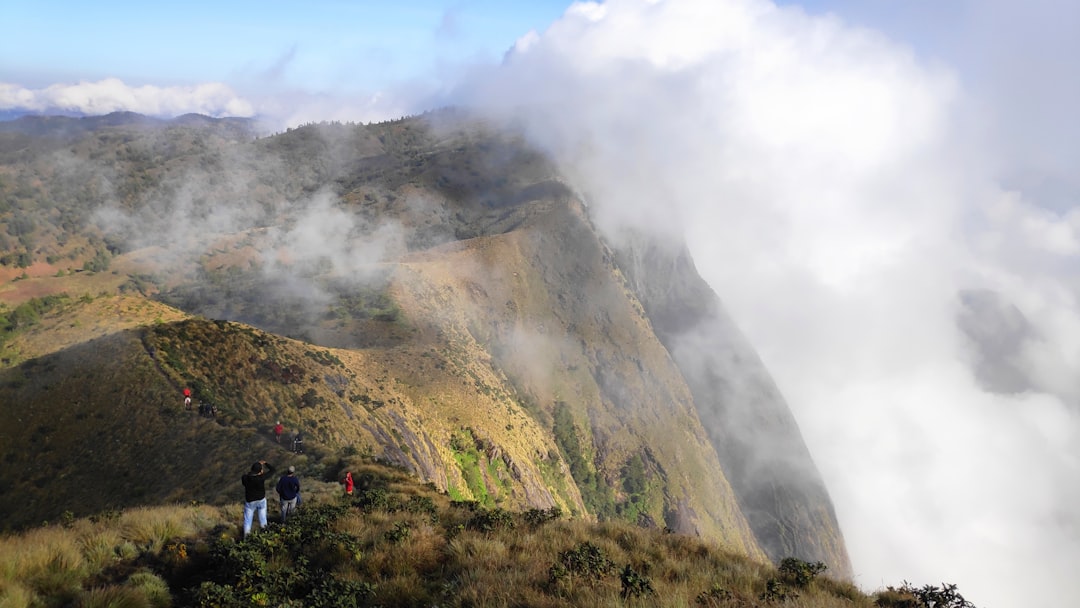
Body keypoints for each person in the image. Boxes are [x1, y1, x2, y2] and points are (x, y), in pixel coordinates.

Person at [241, 460, 275, 537]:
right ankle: (265, 535)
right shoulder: (261, 478)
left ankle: (247, 538)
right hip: (261, 500)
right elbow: (273, 470)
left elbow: (245, 476)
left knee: (248, 521)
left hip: (250, 502)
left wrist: (253, 472)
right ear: (260, 471)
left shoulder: (245, 478)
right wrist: (266, 463)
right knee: (263, 519)